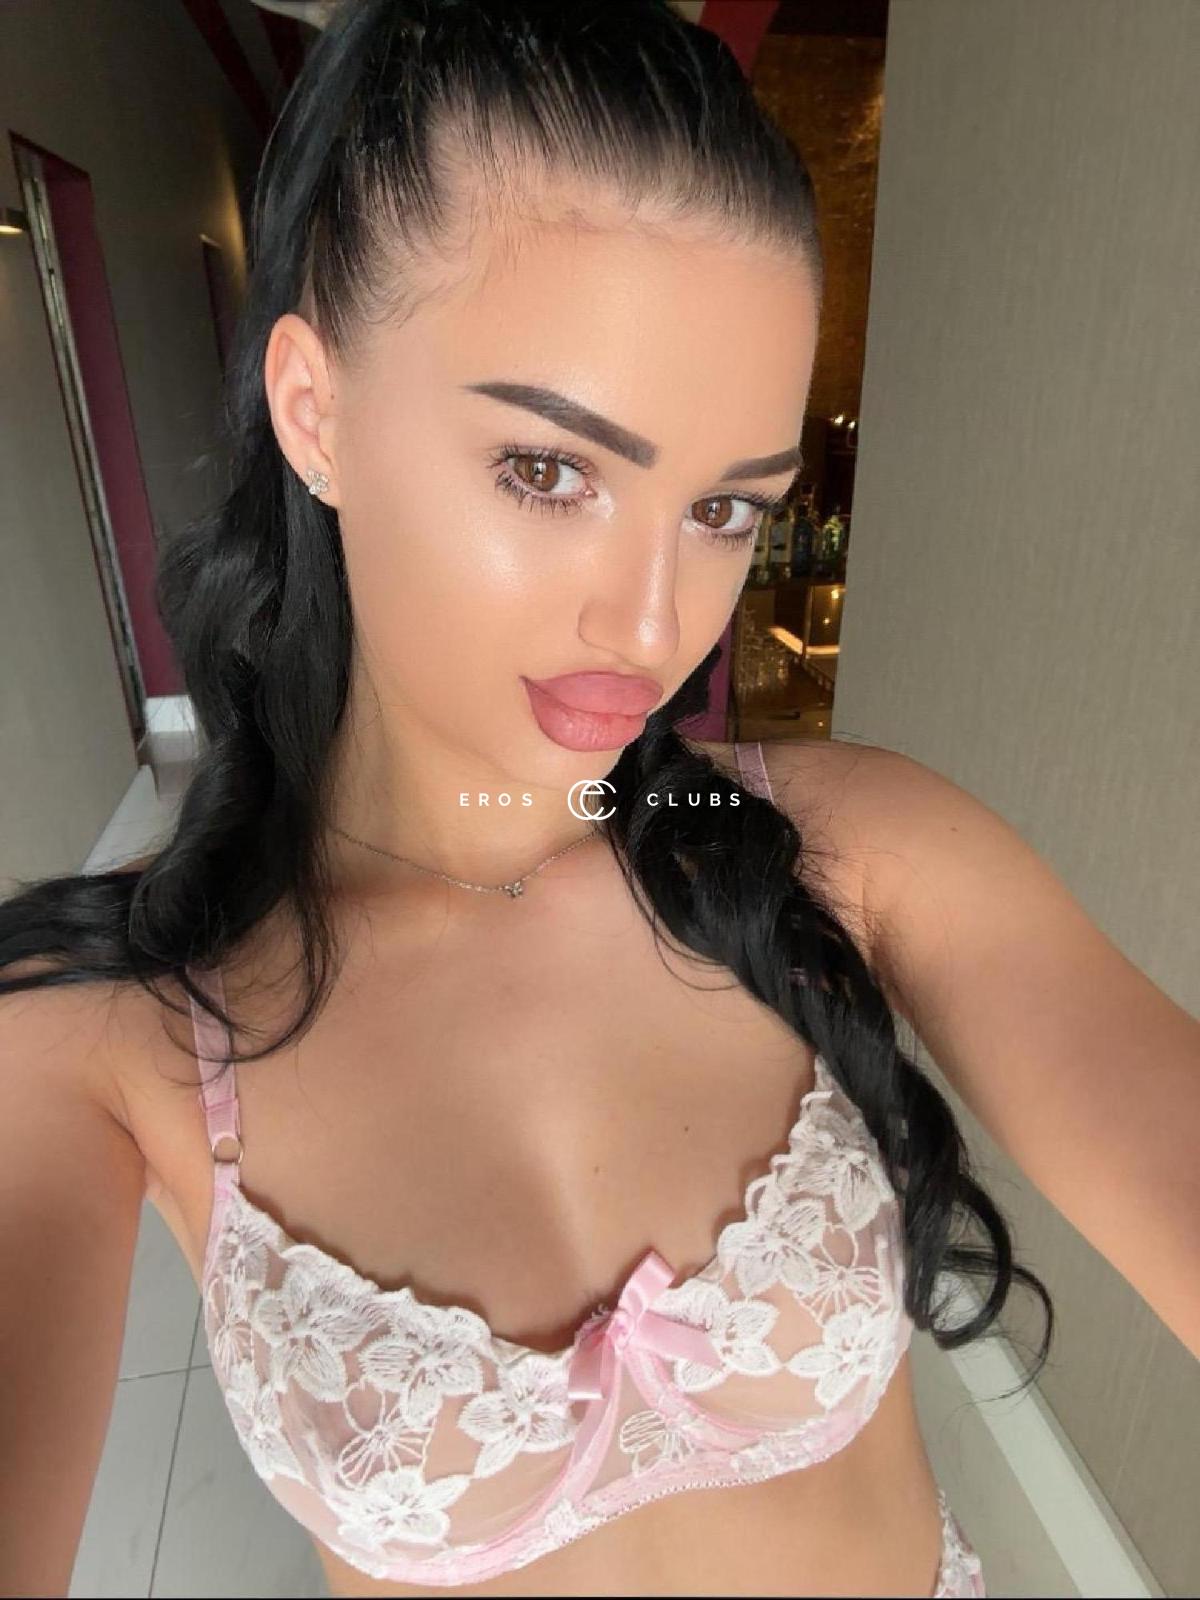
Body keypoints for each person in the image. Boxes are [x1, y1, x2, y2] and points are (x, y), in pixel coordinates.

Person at [3, 1, 1197, 1595]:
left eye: (723, 510)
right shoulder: (102, 1039)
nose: (652, 626)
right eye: (548, 470)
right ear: (317, 412)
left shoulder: (859, 852)